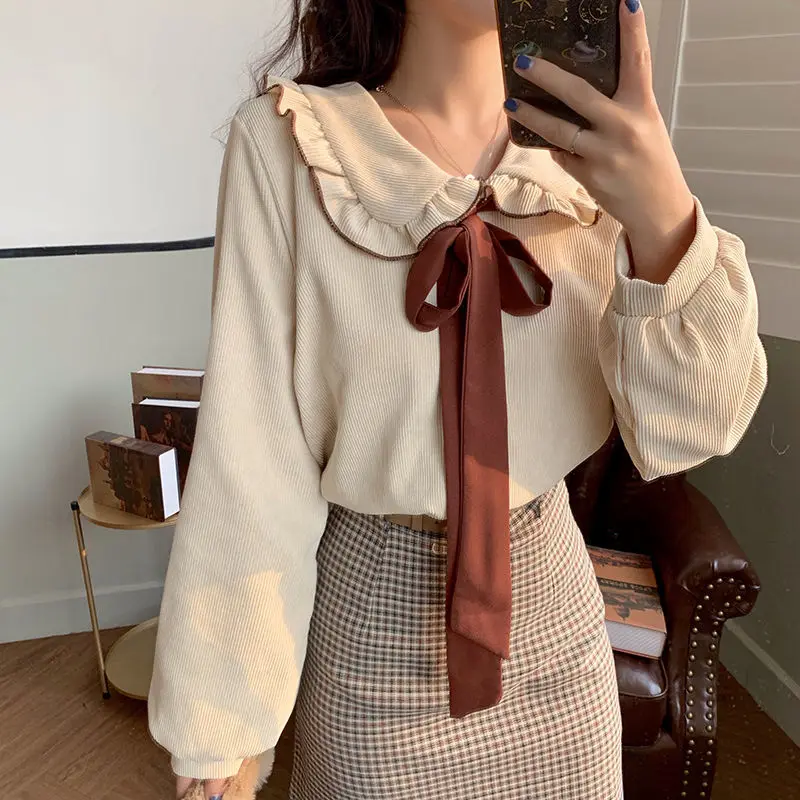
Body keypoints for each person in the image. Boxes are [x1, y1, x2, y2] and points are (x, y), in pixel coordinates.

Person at [147, 0, 768, 797]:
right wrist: (223, 727)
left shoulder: (603, 152)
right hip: (375, 639)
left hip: (558, 629)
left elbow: (691, 429)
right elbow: (253, 462)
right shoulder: (291, 148)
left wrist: (665, 220)